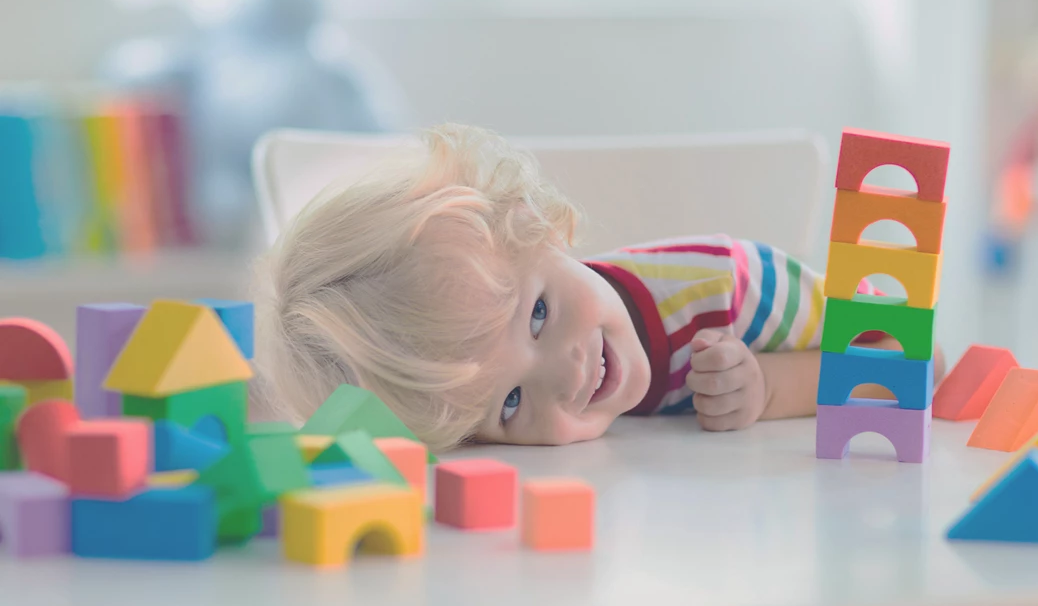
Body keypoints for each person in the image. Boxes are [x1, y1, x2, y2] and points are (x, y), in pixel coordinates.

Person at [254, 123, 944, 450]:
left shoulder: (727, 287)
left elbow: (917, 360)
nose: (568, 372)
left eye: (538, 316)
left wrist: (770, 388)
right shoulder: (457, 416)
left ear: (540, 228)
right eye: (510, 401)